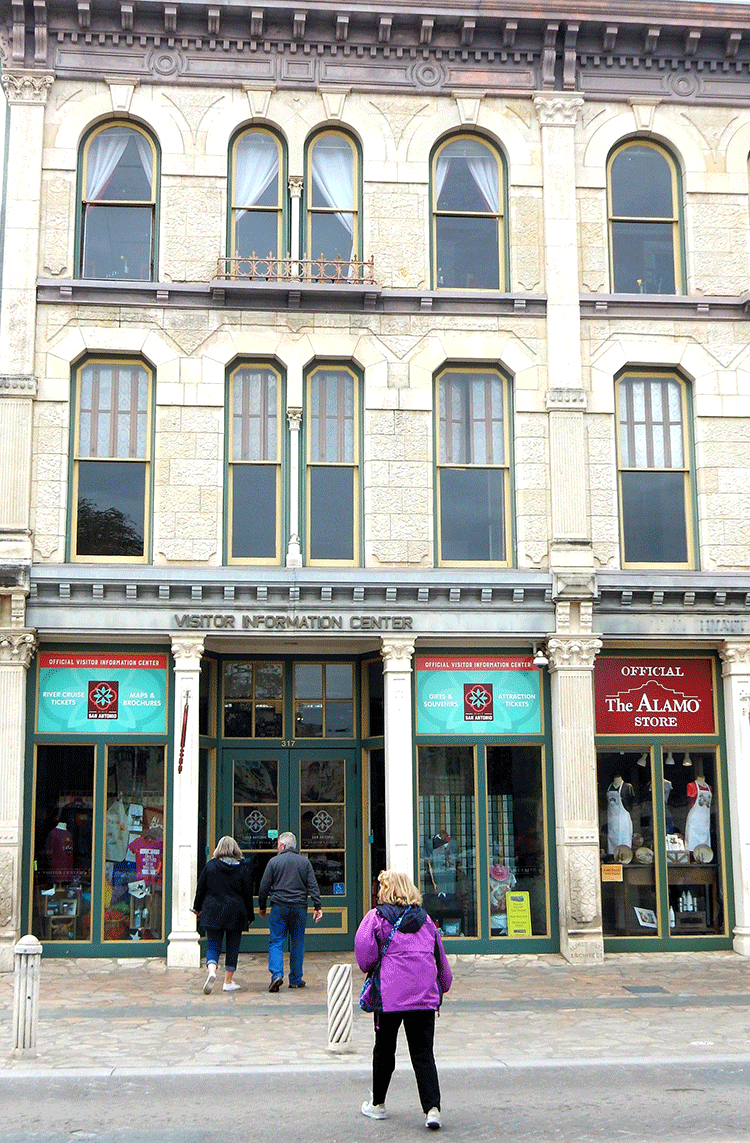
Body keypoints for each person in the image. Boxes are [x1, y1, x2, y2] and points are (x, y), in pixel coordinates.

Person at [354, 868, 453, 1131]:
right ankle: (432, 1109)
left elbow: (365, 958)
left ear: (386, 890)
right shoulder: (426, 920)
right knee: (423, 1054)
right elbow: (440, 957)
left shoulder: (376, 918)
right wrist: (443, 985)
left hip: (389, 996)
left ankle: (378, 1104)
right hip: (423, 997)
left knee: (384, 1050)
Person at [257, 831, 322, 991]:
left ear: (283, 845)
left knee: (276, 941)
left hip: (279, 906)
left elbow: (264, 886)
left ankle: (277, 975)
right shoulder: (304, 862)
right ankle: (295, 979)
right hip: (299, 907)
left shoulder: (274, 862)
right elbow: (313, 886)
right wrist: (317, 906)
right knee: (298, 942)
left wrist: (262, 906)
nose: (277, 847)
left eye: (278, 845)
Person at [192, 836, 255, 994]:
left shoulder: (210, 866)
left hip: (212, 911)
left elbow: (200, 890)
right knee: (233, 947)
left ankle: (212, 971)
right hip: (236, 912)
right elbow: (248, 895)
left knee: (213, 945)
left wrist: (197, 908)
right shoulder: (243, 868)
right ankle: (227, 982)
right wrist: (250, 915)